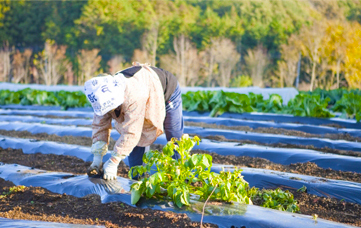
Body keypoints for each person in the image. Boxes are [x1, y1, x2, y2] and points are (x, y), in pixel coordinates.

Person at [84, 62, 184, 180]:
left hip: (166, 90)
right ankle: (138, 179)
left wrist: (113, 161)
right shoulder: (100, 96)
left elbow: (132, 131)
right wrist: (97, 158)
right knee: (136, 146)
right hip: (143, 86)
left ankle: (180, 175)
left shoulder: (133, 95)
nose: (109, 112)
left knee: (173, 135)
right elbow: (100, 125)